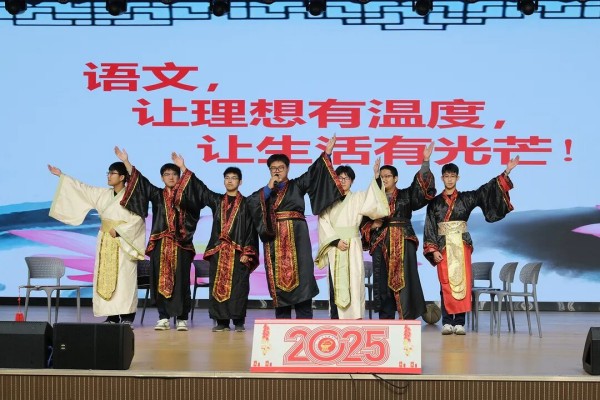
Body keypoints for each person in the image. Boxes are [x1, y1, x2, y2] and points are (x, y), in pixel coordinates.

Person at [246, 135, 344, 319]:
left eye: (281, 168)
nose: (277, 171)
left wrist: (327, 154)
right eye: (273, 168)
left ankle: (304, 320)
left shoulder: (297, 185)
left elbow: (314, 173)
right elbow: (251, 203)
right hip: (275, 240)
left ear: (288, 168)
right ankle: (282, 323)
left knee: (303, 274)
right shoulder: (265, 192)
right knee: (278, 279)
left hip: (298, 237)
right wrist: (268, 188)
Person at [423, 156, 519, 335]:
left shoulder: (467, 198)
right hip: (443, 246)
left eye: (452, 176)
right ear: (442, 178)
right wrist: (432, 249)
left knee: (463, 282)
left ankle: (460, 322)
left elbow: (486, 190)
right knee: (445, 283)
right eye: (446, 176)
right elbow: (429, 227)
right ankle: (447, 322)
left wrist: (506, 172)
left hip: (462, 244)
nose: (449, 179)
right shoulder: (434, 203)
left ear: (457, 178)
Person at [47, 162, 146, 327]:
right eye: (108, 173)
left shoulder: (132, 196)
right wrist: (62, 176)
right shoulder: (102, 194)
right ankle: (112, 316)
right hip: (105, 240)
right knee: (105, 276)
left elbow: (138, 219)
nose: (109, 176)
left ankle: (127, 316)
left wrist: (120, 230)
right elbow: (83, 189)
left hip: (123, 242)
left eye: (113, 173)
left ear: (122, 177)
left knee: (125, 279)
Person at [115, 147, 202, 332]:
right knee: (160, 280)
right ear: (162, 178)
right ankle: (163, 317)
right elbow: (140, 181)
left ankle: (182, 318)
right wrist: (126, 161)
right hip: (160, 244)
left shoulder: (186, 196)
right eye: (167, 174)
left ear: (179, 177)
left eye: (174, 174)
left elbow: (197, 198)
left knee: (181, 281)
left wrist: (183, 167)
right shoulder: (156, 195)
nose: (171, 177)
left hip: (181, 244)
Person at [171, 154, 259, 333]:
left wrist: (247, 252)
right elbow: (201, 189)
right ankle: (222, 321)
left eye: (234, 178)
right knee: (218, 285)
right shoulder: (217, 201)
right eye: (227, 178)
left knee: (239, 287)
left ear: (240, 182)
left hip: (238, 252)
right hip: (219, 251)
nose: (230, 181)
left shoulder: (247, 203)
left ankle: (239, 321)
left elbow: (251, 229)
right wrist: (183, 168)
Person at [360, 143, 436, 320]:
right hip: (381, 242)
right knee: (382, 280)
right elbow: (363, 222)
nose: (385, 179)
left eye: (388, 176)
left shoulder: (406, 194)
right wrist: (372, 225)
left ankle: (406, 316)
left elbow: (422, 191)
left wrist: (425, 162)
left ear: (396, 178)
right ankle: (386, 317)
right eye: (382, 177)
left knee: (406, 278)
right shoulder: (373, 198)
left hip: (403, 240)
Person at [315, 158, 389, 319]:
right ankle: (336, 317)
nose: (343, 181)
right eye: (339, 178)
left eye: (346, 178)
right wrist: (335, 241)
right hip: (335, 246)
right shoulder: (329, 201)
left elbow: (373, 198)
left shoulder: (358, 198)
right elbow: (323, 221)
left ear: (352, 181)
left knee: (355, 280)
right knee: (335, 281)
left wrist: (376, 177)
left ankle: (355, 316)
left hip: (352, 245)